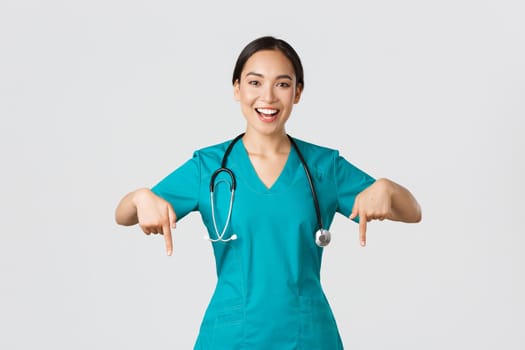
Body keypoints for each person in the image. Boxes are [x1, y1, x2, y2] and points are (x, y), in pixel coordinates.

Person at [115, 36, 421, 349]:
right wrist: (140, 197)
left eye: (283, 84)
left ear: (297, 92)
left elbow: (412, 212)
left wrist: (388, 187)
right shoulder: (208, 168)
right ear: (237, 89)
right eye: (255, 82)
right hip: (230, 338)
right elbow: (123, 215)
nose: (268, 96)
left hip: (309, 337)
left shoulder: (323, 167)